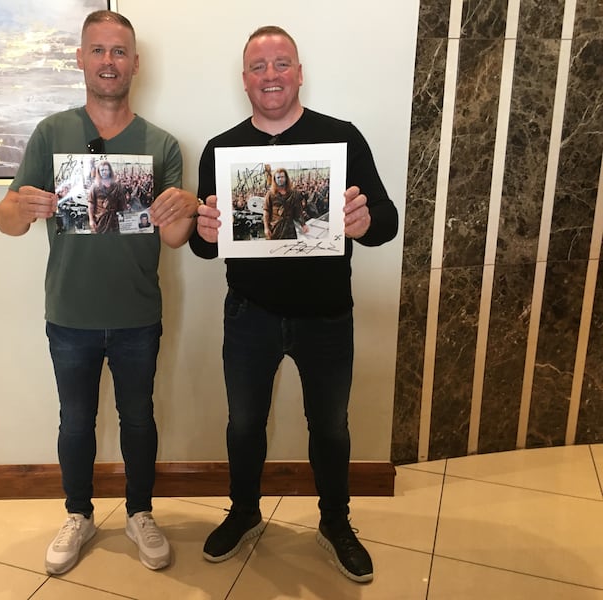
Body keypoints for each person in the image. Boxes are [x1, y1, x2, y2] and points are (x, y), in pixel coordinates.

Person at [189, 25, 399, 584]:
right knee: (243, 424)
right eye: (259, 67)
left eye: (282, 64)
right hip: (249, 315)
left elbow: (387, 223)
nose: (271, 76)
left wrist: (365, 220)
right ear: (244, 81)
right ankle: (244, 512)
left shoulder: (342, 139)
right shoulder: (220, 149)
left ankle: (335, 522)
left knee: (330, 427)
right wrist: (204, 230)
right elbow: (203, 248)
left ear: (299, 72)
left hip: (326, 317)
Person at [0, 9, 199, 575]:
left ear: (135, 63)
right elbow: (6, 221)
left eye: (119, 52)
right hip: (70, 313)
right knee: (75, 420)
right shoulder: (51, 133)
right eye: (98, 50)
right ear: (81, 59)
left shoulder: (161, 143)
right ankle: (79, 515)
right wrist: (19, 207)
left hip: (137, 314)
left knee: (138, 418)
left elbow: (179, 238)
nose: (109, 62)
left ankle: (140, 513)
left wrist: (182, 209)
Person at [263, 167, 308, 239]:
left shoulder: (293, 194)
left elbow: (298, 212)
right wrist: (266, 228)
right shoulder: (270, 194)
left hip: (289, 229)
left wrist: (303, 224)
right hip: (275, 229)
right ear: (274, 179)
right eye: (278, 177)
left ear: (286, 178)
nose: (280, 179)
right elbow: (266, 212)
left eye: (282, 177)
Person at [88, 160, 128, 233]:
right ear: (99, 172)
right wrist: (91, 220)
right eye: (102, 170)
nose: (104, 172)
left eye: (106, 170)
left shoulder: (117, 186)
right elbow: (91, 205)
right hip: (100, 221)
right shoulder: (94, 187)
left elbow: (123, 204)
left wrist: (125, 218)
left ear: (110, 171)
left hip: (115, 221)